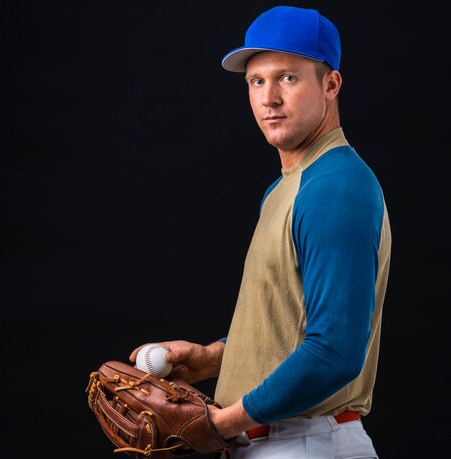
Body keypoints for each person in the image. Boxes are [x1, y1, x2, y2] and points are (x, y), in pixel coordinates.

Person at [129, 5, 391, 458]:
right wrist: (211, 357)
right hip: (274, 442)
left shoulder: (335, 186)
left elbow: (335, 351)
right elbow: (289, 326)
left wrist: (220, 424)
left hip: (307, 442)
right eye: (256, 81)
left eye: (288, 77)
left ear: (330, 84)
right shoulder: (286, 187)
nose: (269, 98)